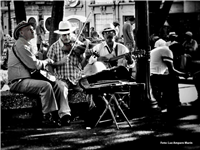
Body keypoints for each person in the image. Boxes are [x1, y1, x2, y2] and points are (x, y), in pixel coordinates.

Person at [7, 21, 71, 127]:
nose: (33, 30)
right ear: (21, 33)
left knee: (54, 84)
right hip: (18, 81)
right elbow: (34, 65)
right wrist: (47, 61)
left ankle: (59, 115)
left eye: (32, 28)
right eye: (29, 29)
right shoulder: (21, 45)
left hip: (24, 79)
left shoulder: (24, 44)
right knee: (45, 86)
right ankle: (48, 117)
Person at [47, 20, 93, 123]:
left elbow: (82, 64)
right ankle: (65, 115)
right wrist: (59, 62)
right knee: (61, 88)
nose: (67, 37)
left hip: (76, 78)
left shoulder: (77, 45)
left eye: (68, 34)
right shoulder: (54, 47)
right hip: (61, 78)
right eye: (64, 35)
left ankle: (92, 112)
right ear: (60, 35)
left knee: (90, 88)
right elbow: (48, 65)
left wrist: (87, 57)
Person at [150, 39, 188, 112]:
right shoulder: (168, 51)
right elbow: (172, 70)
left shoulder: (162, 49)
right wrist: (184, 74)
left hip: (153, 74)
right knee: (173, 78)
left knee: (169, 77)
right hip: (154, 76)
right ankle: (174, 104)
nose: (177, 57)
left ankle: (167, 102)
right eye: (178, 55)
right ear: (175, 51)